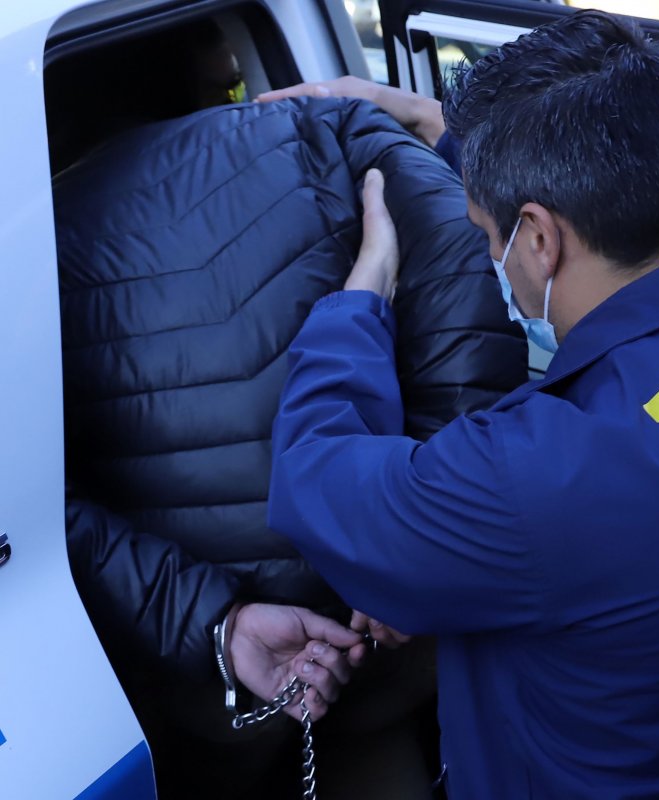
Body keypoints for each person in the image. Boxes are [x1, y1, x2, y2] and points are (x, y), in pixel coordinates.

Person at [268, 10, 659, 799]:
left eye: (489, 232)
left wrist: (365, 290)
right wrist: (436, 125)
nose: (493, 255)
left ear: (540, 240)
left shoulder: (531, 475)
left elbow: (311, 474)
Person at [53, 19, 528, 800]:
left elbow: (38, 507)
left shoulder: (31, 244)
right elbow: (464, 281)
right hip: (385, 629)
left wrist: (218, 623)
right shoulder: (323, 126)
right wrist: (411, 544)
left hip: (207, 679)